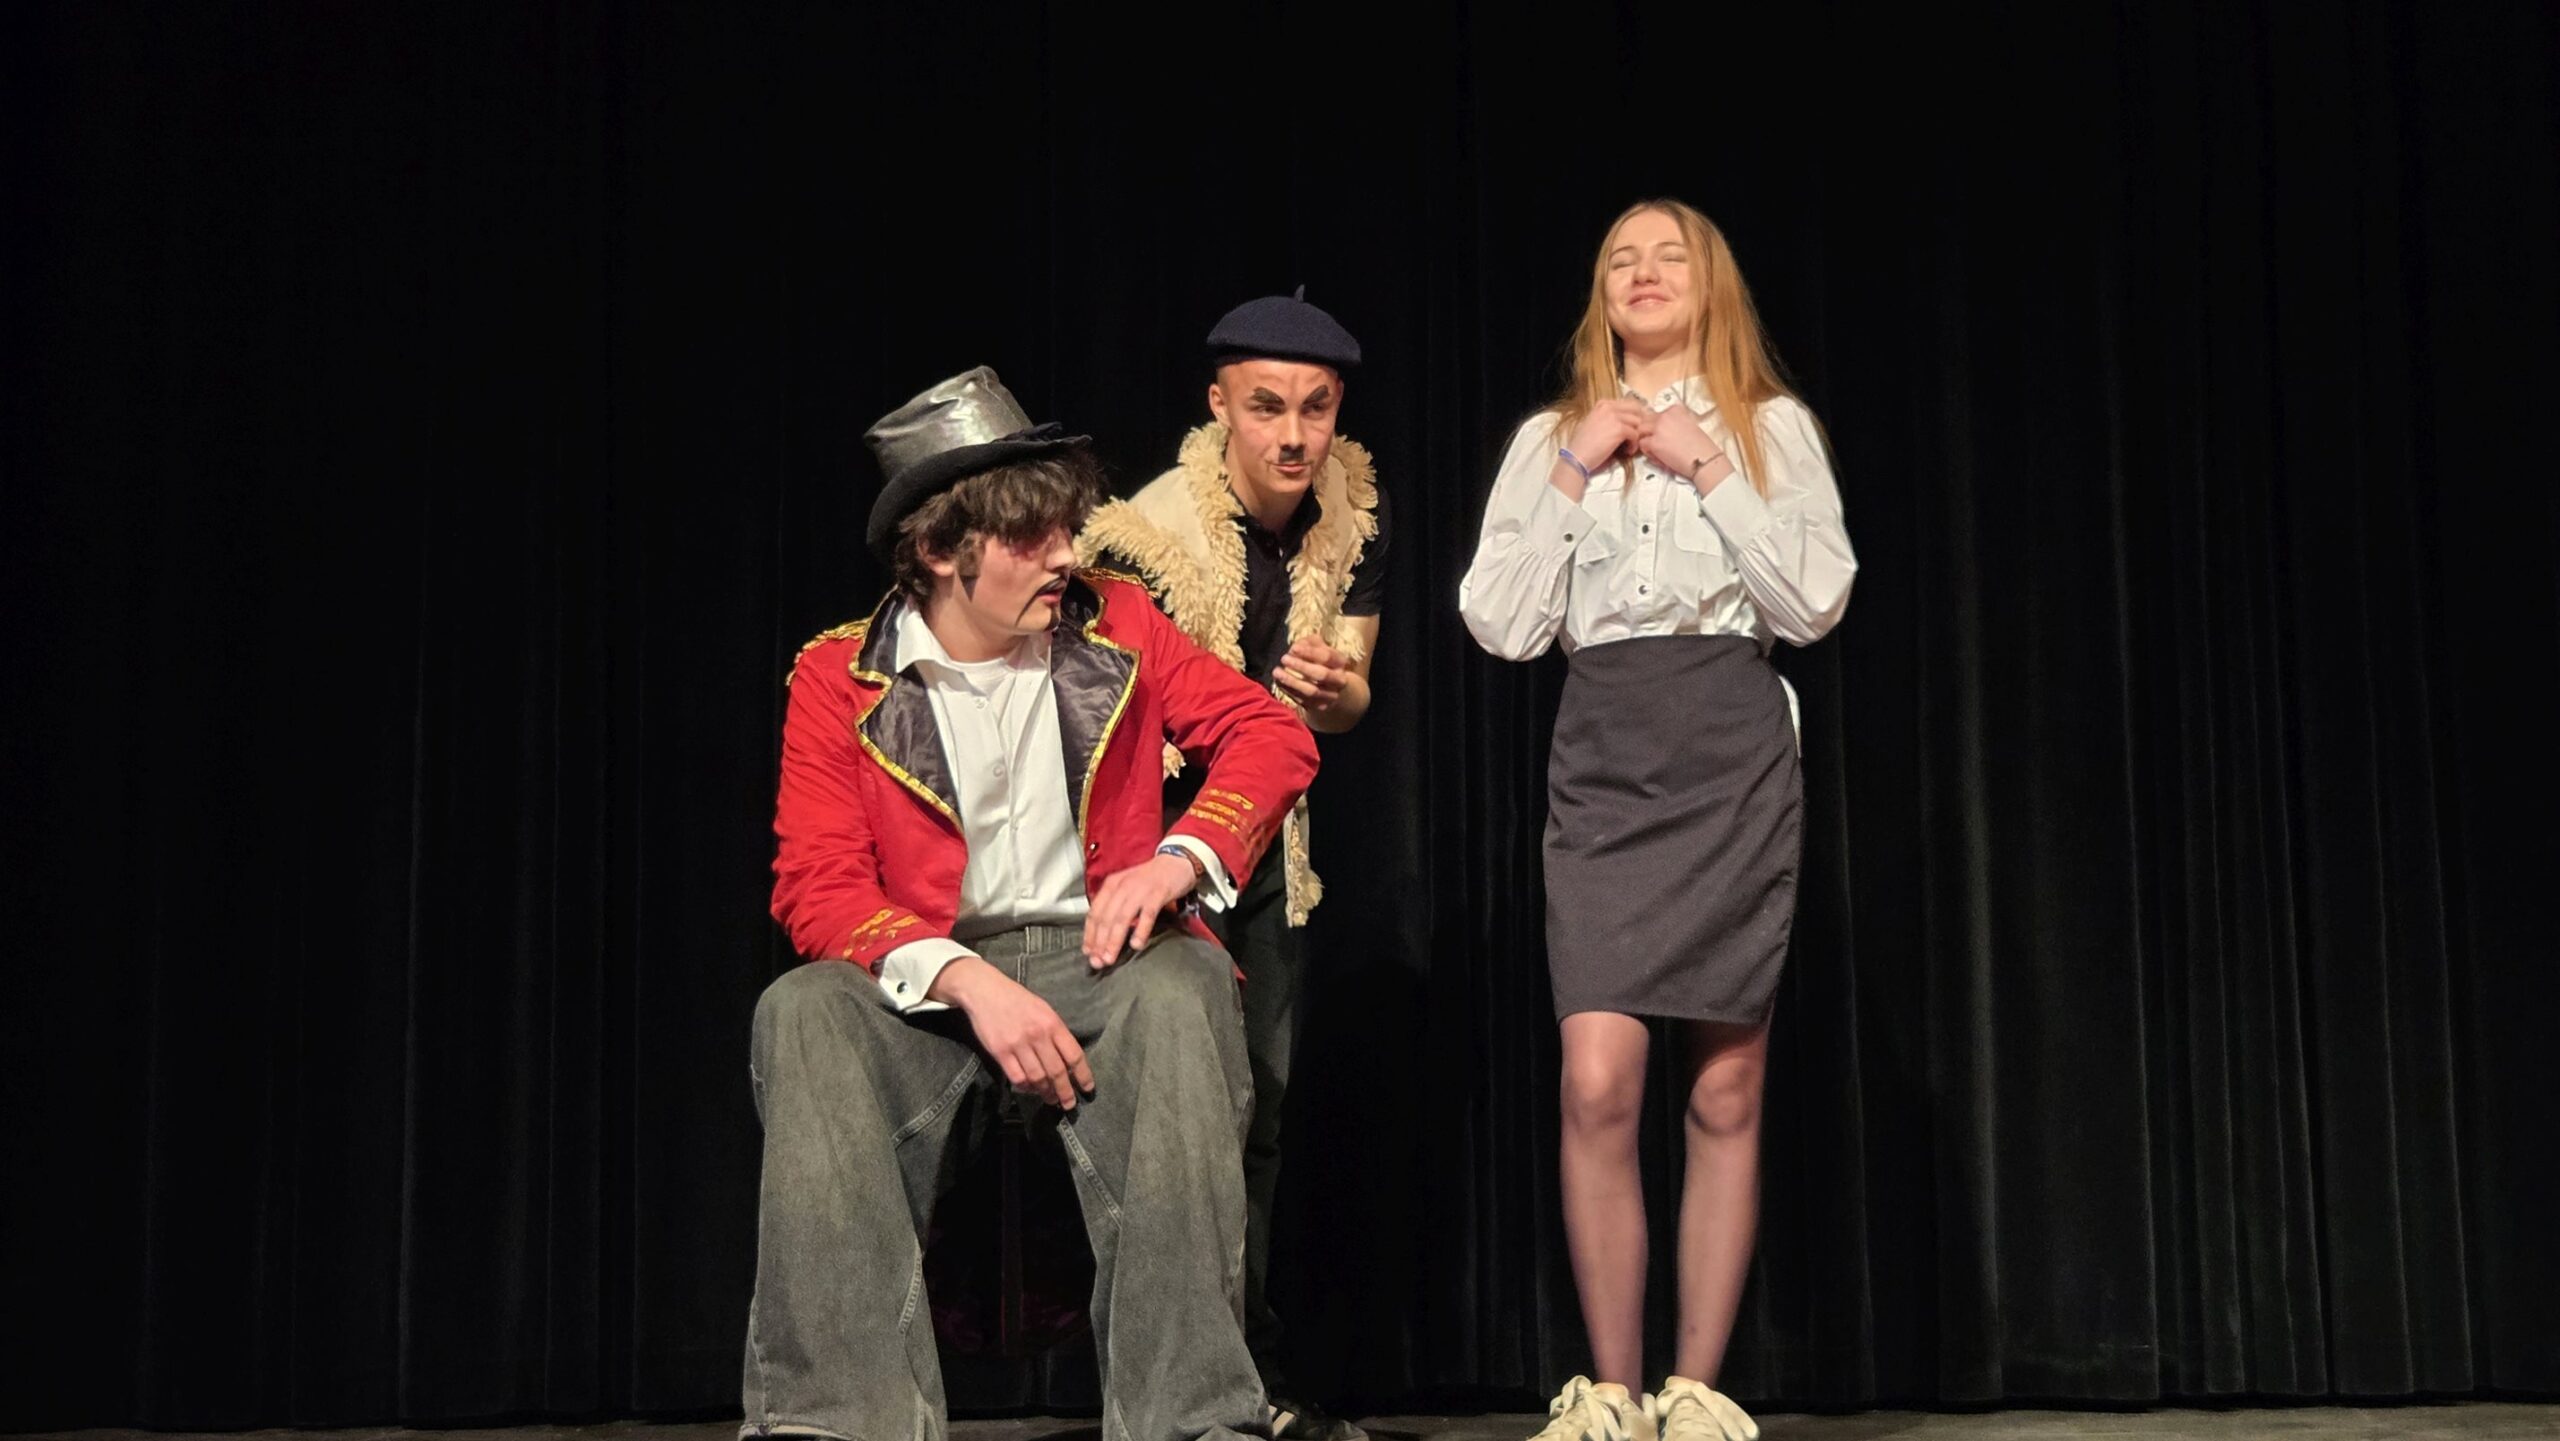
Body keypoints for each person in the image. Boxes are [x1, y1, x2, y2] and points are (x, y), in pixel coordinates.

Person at [742, 365, 1319, 1441]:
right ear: (937, 550)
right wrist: (967, 979)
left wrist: (1179, 858)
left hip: (1105, 957)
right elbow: (817, 884)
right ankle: (837, 1421)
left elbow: (1267, 733)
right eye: (1028, 535)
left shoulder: (1119, 625)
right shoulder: (839, 678)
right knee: (804, 1011)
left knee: (1186, 989)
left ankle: (1192, 1419)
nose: (1064, 555)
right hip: (930, 979)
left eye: (1065, 526)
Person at [1458, 199, 1858, 1441]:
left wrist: (1706, 467)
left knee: (1727, 1089)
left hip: (1728, 750)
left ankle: (1693, 1390)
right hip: (1606, 757)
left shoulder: (1769, 427)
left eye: (1667, 255)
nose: (1641, 272)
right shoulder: (1549, 438)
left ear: (1710, 283)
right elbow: (1502, 623)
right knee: (1595, 1080)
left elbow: (1813, 601)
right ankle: (1612, 1394)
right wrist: (1577, 464)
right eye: (1619, 259)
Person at [1078, 289, 1386, 1441]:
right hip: (1147, 846)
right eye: (1266, 408)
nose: (1295, 436)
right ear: (1218, 406)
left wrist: (1335, 691)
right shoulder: (1147, 536)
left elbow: (1346, 703)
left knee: (1258, 1108)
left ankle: (1241, 1379)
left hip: (1259, 842)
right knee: (1177, 1115)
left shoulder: (1350, 509)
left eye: (1316, 407)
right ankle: (1168, 1385)